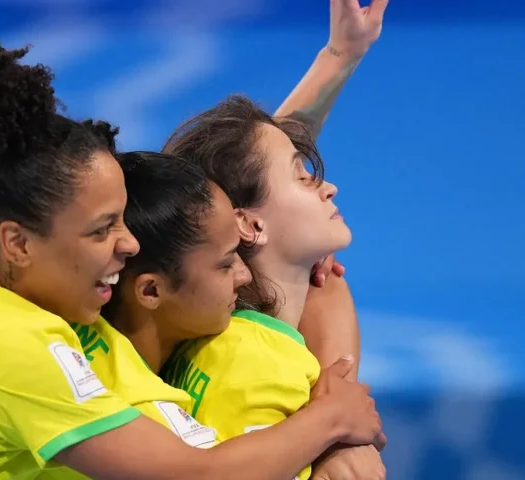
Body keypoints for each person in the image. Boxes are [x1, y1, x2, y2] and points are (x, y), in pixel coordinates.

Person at [0, 22, 383, 480]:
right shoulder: (16, 350)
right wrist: (330, 424)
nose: (129, 241)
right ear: (17, 243)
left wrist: (338, 60)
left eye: (124, 218)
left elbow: (215, 202)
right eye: (102, 230)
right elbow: (196, 474)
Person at [161, 95, 383, 480]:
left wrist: (340, 56)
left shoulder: (215, 339)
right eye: (301, 176)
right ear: (249, 225)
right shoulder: (264, 365)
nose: (328, 187)